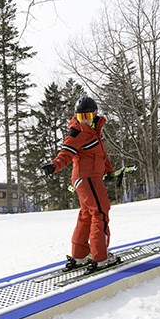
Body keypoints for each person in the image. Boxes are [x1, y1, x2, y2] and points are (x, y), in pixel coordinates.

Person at [41, 96, 119, 273]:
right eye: (81, 117)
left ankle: (80, 255)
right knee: (100, 212)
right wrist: (54, 165)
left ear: (95, 114)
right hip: (88, 178)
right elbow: (66, 152)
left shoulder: (95, 132)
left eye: (88, 117)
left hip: (88, 178)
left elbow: (100, 156)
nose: (84, 121)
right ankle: (101, 257)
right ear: (76, 117)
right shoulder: (77, 131)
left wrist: (109, 171)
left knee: (87, 214)